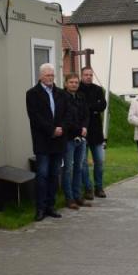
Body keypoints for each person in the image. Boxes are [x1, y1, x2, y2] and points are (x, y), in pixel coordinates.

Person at [26, 63, 68, 222]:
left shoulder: (61, 94)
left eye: (52, 75)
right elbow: (35, 117)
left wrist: (61, 128)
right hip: (43, 140)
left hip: (59, 140)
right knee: (42, 174)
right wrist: (51, 130)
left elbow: (67, 114)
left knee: (54, 174)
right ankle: (40, 208)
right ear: (40, 77)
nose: (50, 78)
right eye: (47, 75)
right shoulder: (32, 94)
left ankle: (51, 206)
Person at [60, 73, 90, 210]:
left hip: (81, 138)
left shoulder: (81, 97)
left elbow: (86, 114)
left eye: (76, 82)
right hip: (68, 138)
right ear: (66, 83)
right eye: (71, 82)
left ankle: (78, 196)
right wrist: (78, 130)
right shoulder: (61, 97)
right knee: (68, 169)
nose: (74, 84)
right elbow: (66, 118)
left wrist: (84, 127)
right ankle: (69, 198)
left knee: (79, 167)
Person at [79, 66, 108, 198]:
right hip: (82, 131)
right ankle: (88, 188)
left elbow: (102, 105)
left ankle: (99, 187)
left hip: (96, 131)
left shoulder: (97, 89)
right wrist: (92, 108)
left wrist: (88, 108)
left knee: (99, 161)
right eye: (86, 74)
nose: (88, 77)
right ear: (81, 75)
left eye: (90, 75)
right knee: (83, 163)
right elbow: (79, 108)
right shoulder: (76, 89)